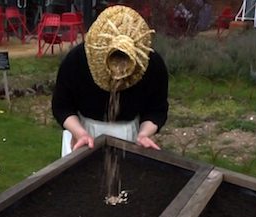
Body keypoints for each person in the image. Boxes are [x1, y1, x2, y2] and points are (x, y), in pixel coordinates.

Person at [52, 5, 169, 156]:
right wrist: (79, 132)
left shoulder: (151, 63)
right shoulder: (77, 60)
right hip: (83, 132)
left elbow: (156, 109)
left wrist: (144, 134)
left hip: (130, 134)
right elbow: (62, 106)